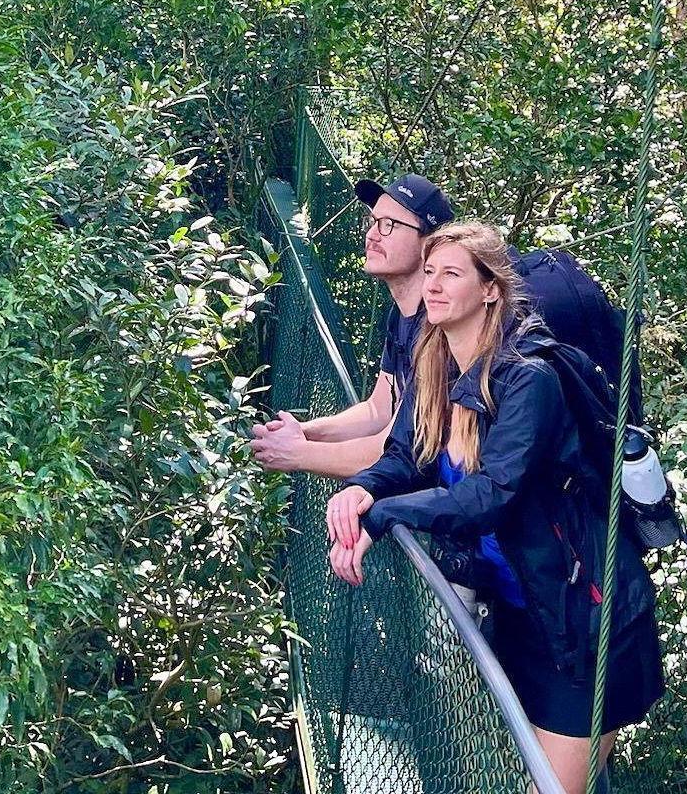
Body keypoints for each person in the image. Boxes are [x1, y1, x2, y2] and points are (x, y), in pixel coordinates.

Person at [325, 222, 664, 794]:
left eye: (451, 273)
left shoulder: (529, 380)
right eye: (429, 271)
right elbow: (409, 452)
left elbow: (492, 495)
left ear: (490, 291)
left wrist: (385, 516)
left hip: (584, 620)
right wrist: (366, 489)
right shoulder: (436, 361)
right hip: (519, 613)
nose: (431, 285)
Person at [251, 173, 454, 478]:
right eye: (373, 222)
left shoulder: (441, 330)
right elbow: (378, 409)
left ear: (430, 244)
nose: (372, 235)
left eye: (390, 225)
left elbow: (394, 450)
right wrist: (305, 433)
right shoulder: (402, 315)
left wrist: (298, 452)